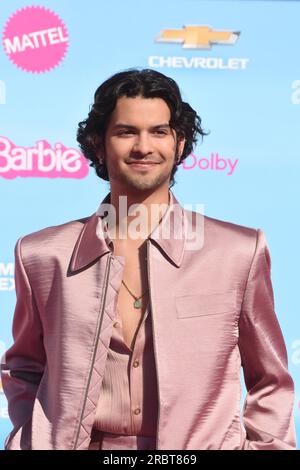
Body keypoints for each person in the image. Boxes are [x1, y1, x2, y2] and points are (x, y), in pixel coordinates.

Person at [1, 68, 297, 450]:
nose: (144, 147)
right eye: (126, 132)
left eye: (159, 132)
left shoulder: (237, 251)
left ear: (180, 143)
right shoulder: (42, 255)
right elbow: (25, 368)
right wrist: (31, 441)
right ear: (98, 144)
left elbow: (271, 379)